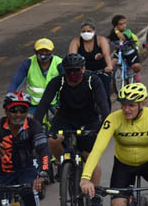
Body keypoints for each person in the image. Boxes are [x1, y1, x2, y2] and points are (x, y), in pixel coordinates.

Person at [79, 83, 148, 206]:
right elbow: (97, 150)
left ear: (143, 103)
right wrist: (85, 178)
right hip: (123, 164)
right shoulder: (113, 119)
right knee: (117, 204)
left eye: (131, 105)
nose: (126, 110)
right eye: (123, 105)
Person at [34, 53, 110, 204]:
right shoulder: (58, 81)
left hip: (88, 120)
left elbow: (103, 104)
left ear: (83, 69)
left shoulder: (92, 80)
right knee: (52, 140)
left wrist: (105, 125)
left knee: (90, 158)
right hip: (65, 119)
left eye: (76, 70)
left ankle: (94, 194)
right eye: (69, 71)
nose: (72, 74)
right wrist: (35, 126)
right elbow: (43, 104)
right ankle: (63, 164)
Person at [7, 38, 64, 115]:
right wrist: (9, 97)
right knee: (27, 124)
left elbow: (66, 81)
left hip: (54, 103)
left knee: (63, 122)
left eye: (47, 51)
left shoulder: (59, 63)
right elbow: (16, 82)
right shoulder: (28, 63)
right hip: (34, 105)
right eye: (40, 51)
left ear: (52, 51)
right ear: (35, 51)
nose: (44, 53)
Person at [69, 19, 113, 98]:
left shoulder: (101, 40)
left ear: (94, 31)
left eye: (89, 31)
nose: (86, 33)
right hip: (83, 72)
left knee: (104, 96)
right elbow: (72, 57)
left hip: (101, 71)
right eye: (83, 31)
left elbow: (106, 54)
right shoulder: (76, 41)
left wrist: (109, 66)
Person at [107, 14, 142, 82]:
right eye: (121, 24)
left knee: (136, 66)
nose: (124, 25)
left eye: (124, 23)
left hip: (130, 51)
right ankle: (111, 76)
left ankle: (136, 73)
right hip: (120, 51)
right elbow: (108, 38)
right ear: (115, 26)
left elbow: (122, 37)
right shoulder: (113, 32)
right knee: (112, 63)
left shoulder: (127, 31)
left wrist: (117, 31)